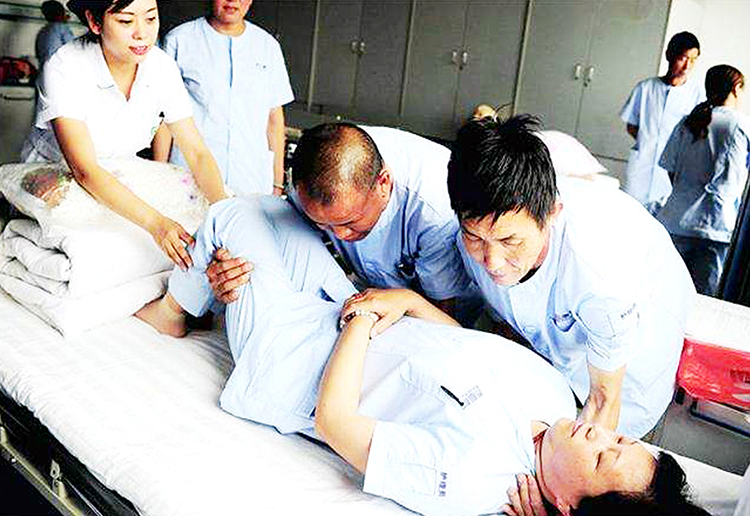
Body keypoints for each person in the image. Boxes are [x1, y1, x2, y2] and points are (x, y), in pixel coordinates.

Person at [135, 195, 708, 516]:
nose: (599, 433)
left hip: (292, 361)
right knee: (276, 210)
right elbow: (460, 342)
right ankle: (211, 294)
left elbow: (335, 423)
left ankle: (172, 312)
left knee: (230, 217)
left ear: (564, 505)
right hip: (349, 314)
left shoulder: (476, 476)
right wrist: (405, 302)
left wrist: (361, 321)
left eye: (602, 458)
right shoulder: (557, 396)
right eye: (620, 440)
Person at [439, 114, 693, 439]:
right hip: (558, 355)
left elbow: (603, 401)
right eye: (475, 237)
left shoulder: (598, 275)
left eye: (509, 241)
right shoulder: (478, 225)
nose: (492, 262)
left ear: (551, 215)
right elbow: (508, 319)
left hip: (628, 376)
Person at [21, 0, 227, 269]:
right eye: (126, 21)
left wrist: (225, 218)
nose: (142, 33)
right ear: (95, 22)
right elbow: (84, 170)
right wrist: (157, 224)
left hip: (116, 175)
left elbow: (197, 153)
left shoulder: (162, 67)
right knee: (85, 259)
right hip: (58, 175)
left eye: (150, 19)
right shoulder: (65, 66)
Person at [209, 123, 478, 322]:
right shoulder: (310, 181)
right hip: (371, 288)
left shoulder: (434, 209)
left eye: (350, 222)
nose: (340, 235)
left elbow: (440, 315)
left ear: (383, 183)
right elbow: (281, 240)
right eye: (324, 225)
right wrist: (234, 270)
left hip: (448, 304)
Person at [155, 0, 293, 197]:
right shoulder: (180, 40)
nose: (233, 1)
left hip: (251, 179)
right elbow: (164, 117)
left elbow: (274, 121)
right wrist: (159, 177)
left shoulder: (267, 46)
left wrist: (277, 183)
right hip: (190, 177)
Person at [657, 65, 749, 297]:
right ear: (736, 88)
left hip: (676, 221)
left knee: (669, 294)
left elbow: (671, 170)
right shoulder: (740, 124)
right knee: (705, 301)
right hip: (715, 227)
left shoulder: (688, 121)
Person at [620, 31, 704, 213]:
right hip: (642, 164)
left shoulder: (697, 95)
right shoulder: (645, 88)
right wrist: (647, 141)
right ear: (669, 55)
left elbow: (697, 136)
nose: (687, 66)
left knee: (663, 216)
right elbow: (631, 125)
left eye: (693, 60)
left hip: (672, 171)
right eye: (683, 58)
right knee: (630, 213)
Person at [35, 1, 75, 67]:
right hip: (59, 68)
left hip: (45, 69)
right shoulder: (62, 27)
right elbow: (73, 48)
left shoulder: (42, 31)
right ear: (61, 13)